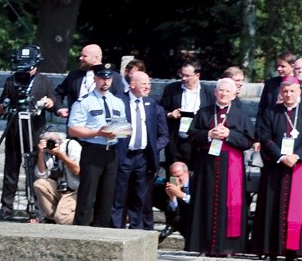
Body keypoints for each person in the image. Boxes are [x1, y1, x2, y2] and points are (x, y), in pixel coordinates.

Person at [186, 78, 254, 256]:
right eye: (221, 90)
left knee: (228, 205)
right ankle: (203, 245)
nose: (224, 94)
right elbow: (191, 136)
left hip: (230, 166)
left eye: (227, 91)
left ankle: (229, 247)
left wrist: (229, 134)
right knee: (205, 202)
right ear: (215, 92)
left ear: (234, 94)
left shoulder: (240, 114)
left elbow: (248, 140)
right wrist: (209, 134)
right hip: (207, 165)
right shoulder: (204, 112)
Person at [250, 78, 302, 261]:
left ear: (299, 92)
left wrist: (296, 156)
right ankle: (270, 249)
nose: (289, 95)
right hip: (275, 169)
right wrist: (282, 156)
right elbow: (265, 137)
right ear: (280, 93)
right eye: (285, 92)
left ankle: (292, 251)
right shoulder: (270, 112)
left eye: (292, 91)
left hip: (298, 168)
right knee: (271, 207)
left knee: (296, 210)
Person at [0, 45, 56, 221]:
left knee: (34, 169)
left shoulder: (45, 81)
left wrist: (50, 103)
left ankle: (35, 207)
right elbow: (0, 106)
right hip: (14, 129)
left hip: (34, 130)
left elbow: (54, 102)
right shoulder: (11, 80)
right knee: (10, 170)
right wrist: (1, 108)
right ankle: (6, 207)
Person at [68, 64, 127, 227]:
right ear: (95, 79)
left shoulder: (117, 102)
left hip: (111, 151)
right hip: (93, 150)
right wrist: (97, 133)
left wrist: (122, 131)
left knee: (107, 197)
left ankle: (101, 231)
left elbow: (122, 125)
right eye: (102, 78)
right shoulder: (84, 102)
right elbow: (73, 129)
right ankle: (81, 230)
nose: (105, 82)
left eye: (108, 78)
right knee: (87, 195)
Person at [111, 71, 168, 229]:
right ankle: (117, 230)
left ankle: (138, 231)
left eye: (149, 84)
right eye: (143, 84)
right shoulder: (119, 101)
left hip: (143, 157)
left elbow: (163, 135)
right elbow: (114, 130)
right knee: (119, 196)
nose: (147, 87)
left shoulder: (151, 104)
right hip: (124, 155)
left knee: (139, 197)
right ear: (133, 84)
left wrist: (152, 148)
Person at [159, 60, 216, 167]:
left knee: (195, 177)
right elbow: (160, 110)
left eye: (187, 76)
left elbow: (213, 116)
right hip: (175, 140)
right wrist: (170, 114)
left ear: (197, 75)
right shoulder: (171, 89)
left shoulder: (208, 93)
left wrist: (200, 117)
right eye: (182, 74)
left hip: (198, 142)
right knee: (174, 175)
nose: (183, 78)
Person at [54, 43, 125, 119]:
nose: (80, 58)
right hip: (76, 124)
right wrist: (59, 108)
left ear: (95, 58)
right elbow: (57, 93)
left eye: (84, 56)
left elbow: (120, 100)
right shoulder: (74, 75)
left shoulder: (115, 77)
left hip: (103, 125)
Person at [33, 130, 81, 224]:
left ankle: (87, 216)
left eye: (54, 141)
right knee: (39, 184)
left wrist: (60, 154)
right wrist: (40, 153)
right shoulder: (46, 151)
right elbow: (41, 174)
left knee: (62, 220)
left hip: (75, 190)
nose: (52, 144)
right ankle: (53, 218)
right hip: (60, 188)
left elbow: (77, 170)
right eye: (48, 142)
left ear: (61, 140)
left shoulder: (71, 145)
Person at [160, 161, 191, 245]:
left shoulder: (196, 180)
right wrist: (172, 198)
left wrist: (182, 195)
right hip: (181, 217)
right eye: (173, 177)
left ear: (186, 173)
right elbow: (173, 211)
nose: (177, 180)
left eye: (179, 176)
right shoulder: (170, 184)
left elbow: (200, 202)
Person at [258, 51, 297, 115]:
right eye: (278, 65)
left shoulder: (299, 84)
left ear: (292, 67)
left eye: (283, 66)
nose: (279, 68)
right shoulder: (270, 84)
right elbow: (262, 108)